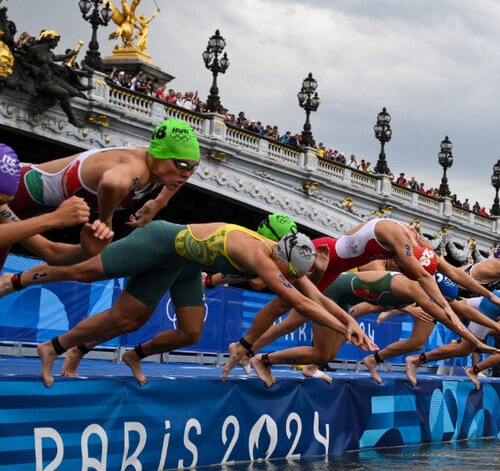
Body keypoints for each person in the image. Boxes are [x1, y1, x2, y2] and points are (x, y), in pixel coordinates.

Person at [0, 223, 375, 388]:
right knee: (86, 274)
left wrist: (348, 322)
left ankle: (128, 355)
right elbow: (298, 300)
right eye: (292, 274)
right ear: (284, 261)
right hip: (160, 242)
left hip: (184, 264)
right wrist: (345, 327)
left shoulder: (282, 258)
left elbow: (317, 296)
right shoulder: (260, 256)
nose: (294, 279)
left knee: (189, 331)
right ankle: (14, 282)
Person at [222, 217, 500, 378]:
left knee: (315, 342)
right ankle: (245, 345)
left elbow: (450, 273)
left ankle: (251, 350)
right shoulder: (402, 250)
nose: (403, 267)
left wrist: (489, 295)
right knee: (281, 300)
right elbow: (430, 288)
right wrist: (472, 340)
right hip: (323, 259)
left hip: (334, 273)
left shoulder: (417, 243)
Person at [9, 117, 199, 230]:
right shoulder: (136, 168)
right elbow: (111, 183)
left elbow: (178, 172)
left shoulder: (164, 170)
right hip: (15, 193)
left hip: (30, 205)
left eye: (193, 166)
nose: (187, 174)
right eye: (182, 165)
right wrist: (106, 220)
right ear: (159, 155)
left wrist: (160, 201)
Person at [0, 143, 114, 268]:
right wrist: (54, 218)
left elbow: (51, 252)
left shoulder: (2, 210)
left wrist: (86, 251)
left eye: (5, 202)